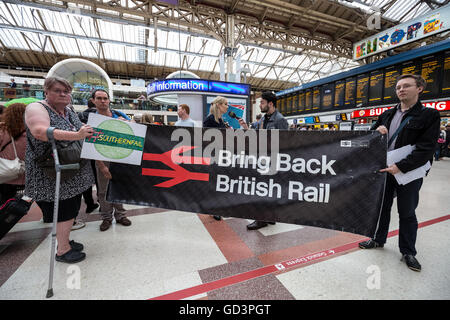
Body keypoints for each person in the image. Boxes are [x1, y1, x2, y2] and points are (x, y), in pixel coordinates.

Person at [358, 74, 440, 272]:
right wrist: (377, 130)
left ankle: (408, 251)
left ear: (419, 88)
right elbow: (371, 135)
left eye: (406, 86)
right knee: (381, 207)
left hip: (408, 173)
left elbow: (426, 148)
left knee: (407, 212)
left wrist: (401, 166)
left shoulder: (429, 115)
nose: (400, 90)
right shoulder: (387, 114)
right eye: (398, 87)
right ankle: (378, 239)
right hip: (385, 169)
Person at [24, 77, 95, 263]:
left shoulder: (69, 110)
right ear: (46, 92)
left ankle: (65, 241)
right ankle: (63, 250)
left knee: (70, 208)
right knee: (63, 210)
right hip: (51, 172)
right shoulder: (36, 108)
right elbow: (40, 131)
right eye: (57, 90)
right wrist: (77, 135)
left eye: (66, 91)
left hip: (71, 171)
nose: (63, 94)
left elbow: (83, 130)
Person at [238, 91, 288, 230]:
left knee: (265, 190)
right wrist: (245, 127)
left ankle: (261, 220)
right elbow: (255, 134)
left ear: (270, 104)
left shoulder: (280, 120)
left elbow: (287, 143)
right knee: (266, 190)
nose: (260, 105)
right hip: (263, 160)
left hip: (273, 161)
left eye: (262, 102)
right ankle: (270, 217)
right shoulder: (263, 119)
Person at [91, 89, 132, 232]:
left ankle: (121, 215)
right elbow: (92, 146)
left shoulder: (119, 115)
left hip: (120, 158)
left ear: (109, 100)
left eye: (105, 98)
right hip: (102, 159)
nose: (103, 101)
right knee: (103, 190)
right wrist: (101, 166)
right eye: (99, 98)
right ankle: (106, 217)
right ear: (93, 101)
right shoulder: (93, 121)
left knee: (119, 187)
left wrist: (127, 123)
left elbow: (133, 134)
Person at [203, 96, 229, 221]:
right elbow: (204, 138)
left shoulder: (221, 120)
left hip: (221, 155)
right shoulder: (209, 120)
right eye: (225, 104)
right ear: (218, 105)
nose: (227, 106)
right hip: (212, 156)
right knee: (213, 183)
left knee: (219, 183)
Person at [0, 103, 26, 204]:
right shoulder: (31, 133)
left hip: (4, 176)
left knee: (4, 205)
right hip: (24, 175)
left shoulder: (3, 131)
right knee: (20, 206)